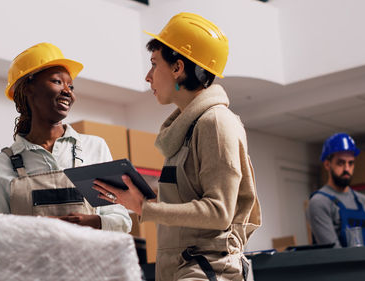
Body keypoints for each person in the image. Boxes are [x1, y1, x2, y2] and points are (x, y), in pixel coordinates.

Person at [93, 12, 261, 281]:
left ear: (177, 68)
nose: (148, 76)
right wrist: (143, 197)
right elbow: (190, 199)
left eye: (154, 64)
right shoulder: (188, 129)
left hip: (208, 271)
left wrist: (146, 208)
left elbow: (219, 212)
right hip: (183, 268)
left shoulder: (216, 123)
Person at [0, 43, 131, 233]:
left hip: (89, 262)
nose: (68, 91)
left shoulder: (95, 147)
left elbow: (121, 220)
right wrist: (37, 228)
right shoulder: (0, 166)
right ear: (28, 88)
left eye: (71, 85)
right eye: (57, 81)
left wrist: (88, 222)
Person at [308, 133, 365, 247]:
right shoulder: (319, 202)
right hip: (343, 265)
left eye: (351, 163)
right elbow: (333, 253)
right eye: (341, 163)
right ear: (327, 165)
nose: (347, 169)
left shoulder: (364, 201)